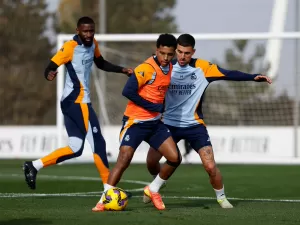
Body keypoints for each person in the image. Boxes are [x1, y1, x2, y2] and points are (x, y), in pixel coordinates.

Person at [145, 33, 272, 208]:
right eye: (180, 52)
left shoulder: (203, 68)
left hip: (194, 125)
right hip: (168, 124)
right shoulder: (165, 67)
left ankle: (221, 197)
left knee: (211, 166)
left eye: (187, 53)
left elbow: (229, 74)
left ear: (193, 52)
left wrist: (253, 77)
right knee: (151, 160)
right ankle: (157, 184)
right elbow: (144, 75)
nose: (182, 57)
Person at [23, 16, 133, 191]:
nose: (89, 34)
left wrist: (122, 70)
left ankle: (34, 166)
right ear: (78, 31)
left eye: (91, 31)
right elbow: (50, 66)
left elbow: (100, 62)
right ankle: (108, 189)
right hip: (77, 102)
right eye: (85, 31)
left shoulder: (93, 44)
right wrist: (49, 74)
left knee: (75, 148)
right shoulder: (69, 47)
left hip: (72, 103)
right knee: (98, 142)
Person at [92, 33, 180, 212]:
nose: (166, 58)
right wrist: (154, 106)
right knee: (124, 159)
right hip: (135, 122)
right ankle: (103, 200)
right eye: (163, 53)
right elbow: (128, 91)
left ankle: (153, 189)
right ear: (157, 50)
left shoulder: (171, 66)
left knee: (174, 158)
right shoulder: (146, 68)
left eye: (170, 54)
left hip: (155, 124)